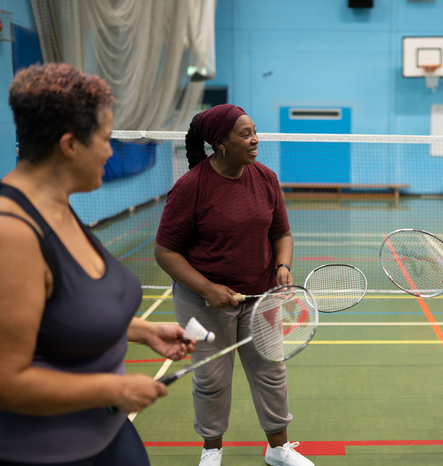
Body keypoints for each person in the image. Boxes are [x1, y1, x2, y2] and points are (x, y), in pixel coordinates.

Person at [0, 63, 196, 466]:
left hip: (106, 434)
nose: (110, 150)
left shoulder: (58, 206)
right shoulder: (12, 234)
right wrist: (110, 389)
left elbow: (60, 318)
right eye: (106, 139)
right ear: (70, 145)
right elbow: (7, 381)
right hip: (46, 453)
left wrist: (143, 331)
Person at [154, 104, 312, 466]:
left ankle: (278, 449)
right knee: (211, 379)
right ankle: (212, 451)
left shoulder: (265, 178)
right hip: (202, 302)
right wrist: (209, 289)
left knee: (271, 373)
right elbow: (165, 252)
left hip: (260, 295)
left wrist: (283, 265)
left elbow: (281, 233)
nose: (255, 139)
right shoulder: (191, 186)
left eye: (254, 131)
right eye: (245, 134)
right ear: (221, 143)